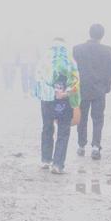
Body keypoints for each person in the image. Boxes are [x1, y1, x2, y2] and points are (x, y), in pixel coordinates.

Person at [32, 37, 81, 174]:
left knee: (47, 127)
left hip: (47, 100)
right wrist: (66, 93)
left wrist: (47, 93)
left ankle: (46, 160)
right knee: (63, 131)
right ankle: (58, 164)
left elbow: (37, 81)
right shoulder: (70, 61)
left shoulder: (44, 61)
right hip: (63, 100)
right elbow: (76, 82)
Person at [73, 24, 111, 159]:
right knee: (98, 119)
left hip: (82, 89)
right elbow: (110, 72)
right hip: (99, 90)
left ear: (89, 33)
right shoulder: (108, 51)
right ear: (102, 35)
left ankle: (81, 145)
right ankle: (96, 147)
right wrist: (106, 87)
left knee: (82, 118)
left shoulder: (77, 49)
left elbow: (74, 71)